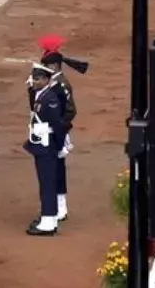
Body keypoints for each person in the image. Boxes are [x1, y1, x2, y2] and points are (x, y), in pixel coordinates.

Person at [34, 34, 88, 224]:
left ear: (53, 67)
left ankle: (61, 206)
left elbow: (70, 110)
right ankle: (58, 205)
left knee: (57, 169)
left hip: (58, 132)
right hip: (52, 131)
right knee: (54, 168)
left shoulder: (61, 84)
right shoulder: (54, 82)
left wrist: (59, 129)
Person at [23, 54, 69, 235]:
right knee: (45, 182)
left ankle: (49, 221)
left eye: (39, 78)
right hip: (42, 144)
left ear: (47, 80)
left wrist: (59, 146)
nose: (34, 81)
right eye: (34, 78)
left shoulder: (49, 99)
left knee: (48, 183)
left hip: (47, 145)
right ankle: (47, 217)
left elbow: (57, 125)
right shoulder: (41, 94)